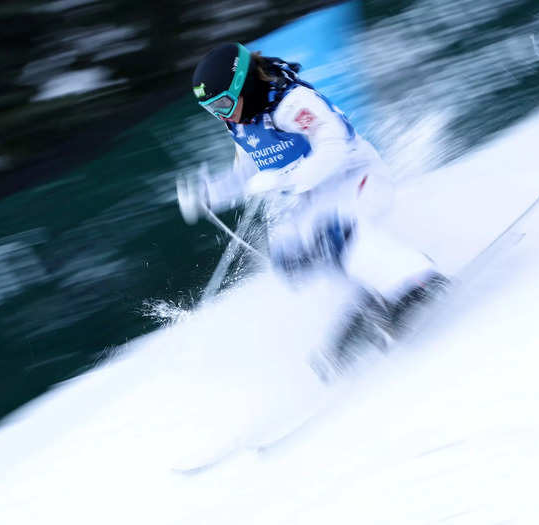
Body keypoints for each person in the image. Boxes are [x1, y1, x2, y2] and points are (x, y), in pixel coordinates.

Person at [178, 42, 446, 336]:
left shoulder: (293, 103)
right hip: (314, 196)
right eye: (211, 109)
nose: (222, 116)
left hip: (357, 179)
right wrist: (210, 193)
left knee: (332, 233)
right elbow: (247, 171)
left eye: (223, 105)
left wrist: (285, 180)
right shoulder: (241, 123)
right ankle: (366, 296)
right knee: (290, 254)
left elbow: (335, 145)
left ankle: (413, 276)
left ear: (245, 84)